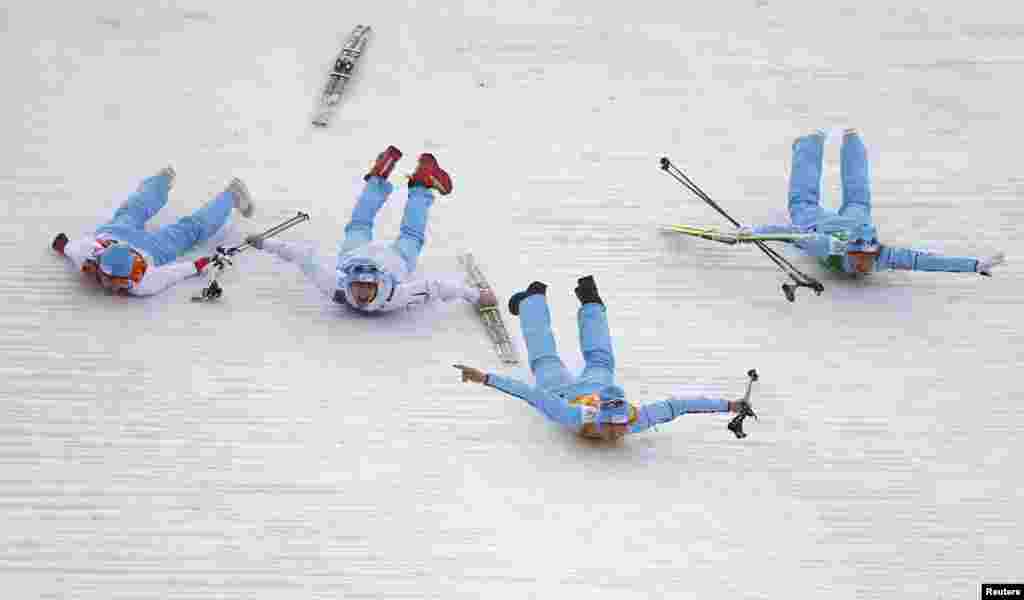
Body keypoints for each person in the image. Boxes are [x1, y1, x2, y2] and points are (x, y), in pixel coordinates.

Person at [454, 276, 754, 441]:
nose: (619, 433)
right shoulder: (572, 415)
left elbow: (680, 406)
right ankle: (539, 299)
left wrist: (728, 406)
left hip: (595, 387)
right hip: (561, 393)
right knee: (548, 359)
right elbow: (530, 394)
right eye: (614, 429)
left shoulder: (633, 418)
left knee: (599, 363)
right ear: (599, 420)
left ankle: (549, 300)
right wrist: (485, 378)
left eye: (620, 428)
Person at [245, 146, 497, 312]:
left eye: (364, 289)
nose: (362, 294)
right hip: (388, 260)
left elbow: (304, 258)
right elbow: (435, 287)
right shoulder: (384, 294)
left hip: (364, 255)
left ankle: (396, 178)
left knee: (372, 227)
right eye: (360, 288)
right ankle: (412, 181)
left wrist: (474, 296)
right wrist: (475, 295)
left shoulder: (366, 291)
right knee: (392, 231)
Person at [741, 129, 1005, 276]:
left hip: (857, 222)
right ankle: (827, 139)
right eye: (861, 259)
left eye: (868, 258)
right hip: (820, 224)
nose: (865, 265)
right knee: (803, 201)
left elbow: (928, 261)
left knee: (858, 196)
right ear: (849, 251)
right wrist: (753, 234)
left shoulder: (881, 255)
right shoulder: (827, 246)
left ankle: (842, 136)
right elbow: (788, 233)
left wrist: (974, 265)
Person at [50, 167, 254, 296]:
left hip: (149, 250)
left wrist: (195, 266)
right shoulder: (87, 254)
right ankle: (161, 182)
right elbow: (71, 247)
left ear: (129, 278)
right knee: (133, 210)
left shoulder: (143, 282)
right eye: (106, 279)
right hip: (115, 234)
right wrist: (63, 245)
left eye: (114, 282)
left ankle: (230, 196)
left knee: (189, 230)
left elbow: (170, 274)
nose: (108, 286)